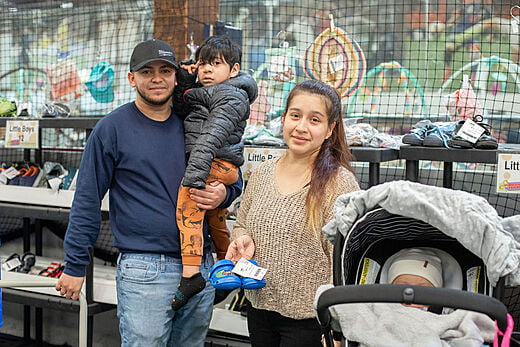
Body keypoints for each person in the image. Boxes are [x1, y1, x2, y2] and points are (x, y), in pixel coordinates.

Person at [55, 39, 243, 346]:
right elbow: (87, 201)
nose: (156, 78)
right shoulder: (111, 129)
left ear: (176, 76)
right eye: (147, 71)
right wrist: (75, 265)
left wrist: (225, 193)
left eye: (165, 70)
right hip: (144, 270)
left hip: (201, 268)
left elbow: (232, 173)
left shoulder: (195, 122)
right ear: (132, 78)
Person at [225, 79, 360, 347]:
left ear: (330, 129)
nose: (301, 127)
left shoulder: (339, 184)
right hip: (259, 308)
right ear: (284, 118)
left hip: (312, 321)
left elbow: (348, 262)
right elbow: (241, 225)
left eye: (314, 120)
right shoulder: (262, 173)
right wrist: (242, 240)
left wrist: (339, 328)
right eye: (295, 116)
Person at [171, 35, 258, 310]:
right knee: (217, 220)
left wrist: (194, 177)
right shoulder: (211, 92)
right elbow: (187, 109)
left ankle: (191, 276)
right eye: (203, 63)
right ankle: (228, 271)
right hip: (218, 165)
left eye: (215, 64)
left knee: (187, 210)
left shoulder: (230, 96)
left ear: (234, 70)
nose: (206, 69)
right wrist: (185, 82)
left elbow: (209, 137)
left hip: (214, 163)